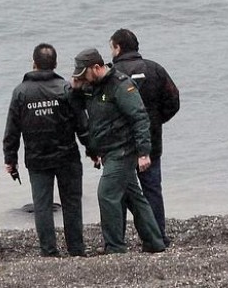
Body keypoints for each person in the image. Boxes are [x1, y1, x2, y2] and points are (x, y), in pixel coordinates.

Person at [71, 48, 165, 254]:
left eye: (83, 74)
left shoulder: (121, 85)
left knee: (106, 194)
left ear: (96, 68)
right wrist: (75, 87)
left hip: (122, 150)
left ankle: (115, 247)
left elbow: (140, 118)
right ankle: (155, 242)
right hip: (107, 150)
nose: (82, 78)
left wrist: (143, 152)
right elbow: (76, 105)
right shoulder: (92, 86)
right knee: (134, 198)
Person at [3, 43, 88, 257]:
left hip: (37, 158)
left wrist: (10, 159)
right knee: (72, 203)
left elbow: (12, 129)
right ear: (55, 64)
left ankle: (49, 251)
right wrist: (93, 149)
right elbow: (82, 123)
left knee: (42, 205)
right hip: (67, 155)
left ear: (33, 64)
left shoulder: (21, 92)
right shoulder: (65, 89)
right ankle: (76, 249)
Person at [109, 28, 180, 247]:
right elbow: (173, 100)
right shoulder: (155, 69)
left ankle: (117, 241)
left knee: (118, 192)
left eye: (111, 47)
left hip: (119, 144)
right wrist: (156, 121)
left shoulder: (112, 74)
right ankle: (157, 235)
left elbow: (101, 110)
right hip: (151, 142)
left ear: (118, 48)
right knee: (151, 190)